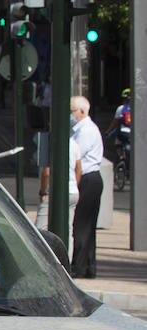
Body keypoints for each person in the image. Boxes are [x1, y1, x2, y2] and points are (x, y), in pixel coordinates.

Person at [69, 94, 104, 278]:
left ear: (82, 111)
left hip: (88, 179)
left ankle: (79, 267)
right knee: (87, 226)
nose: (70, 114)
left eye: (72, 111)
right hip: (91, 179)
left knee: (81, 225)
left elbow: (76, 158)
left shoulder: (86, 130)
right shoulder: (81, 129)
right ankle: (88, 267)